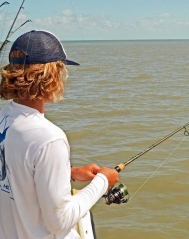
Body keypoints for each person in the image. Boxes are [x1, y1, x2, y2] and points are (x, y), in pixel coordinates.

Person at [0, 30, 119, 239]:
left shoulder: (4, 119)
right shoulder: (49, 138)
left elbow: (15, 170)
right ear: (51, 75)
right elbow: (59, 222)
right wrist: (102, 182)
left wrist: (69, 172)